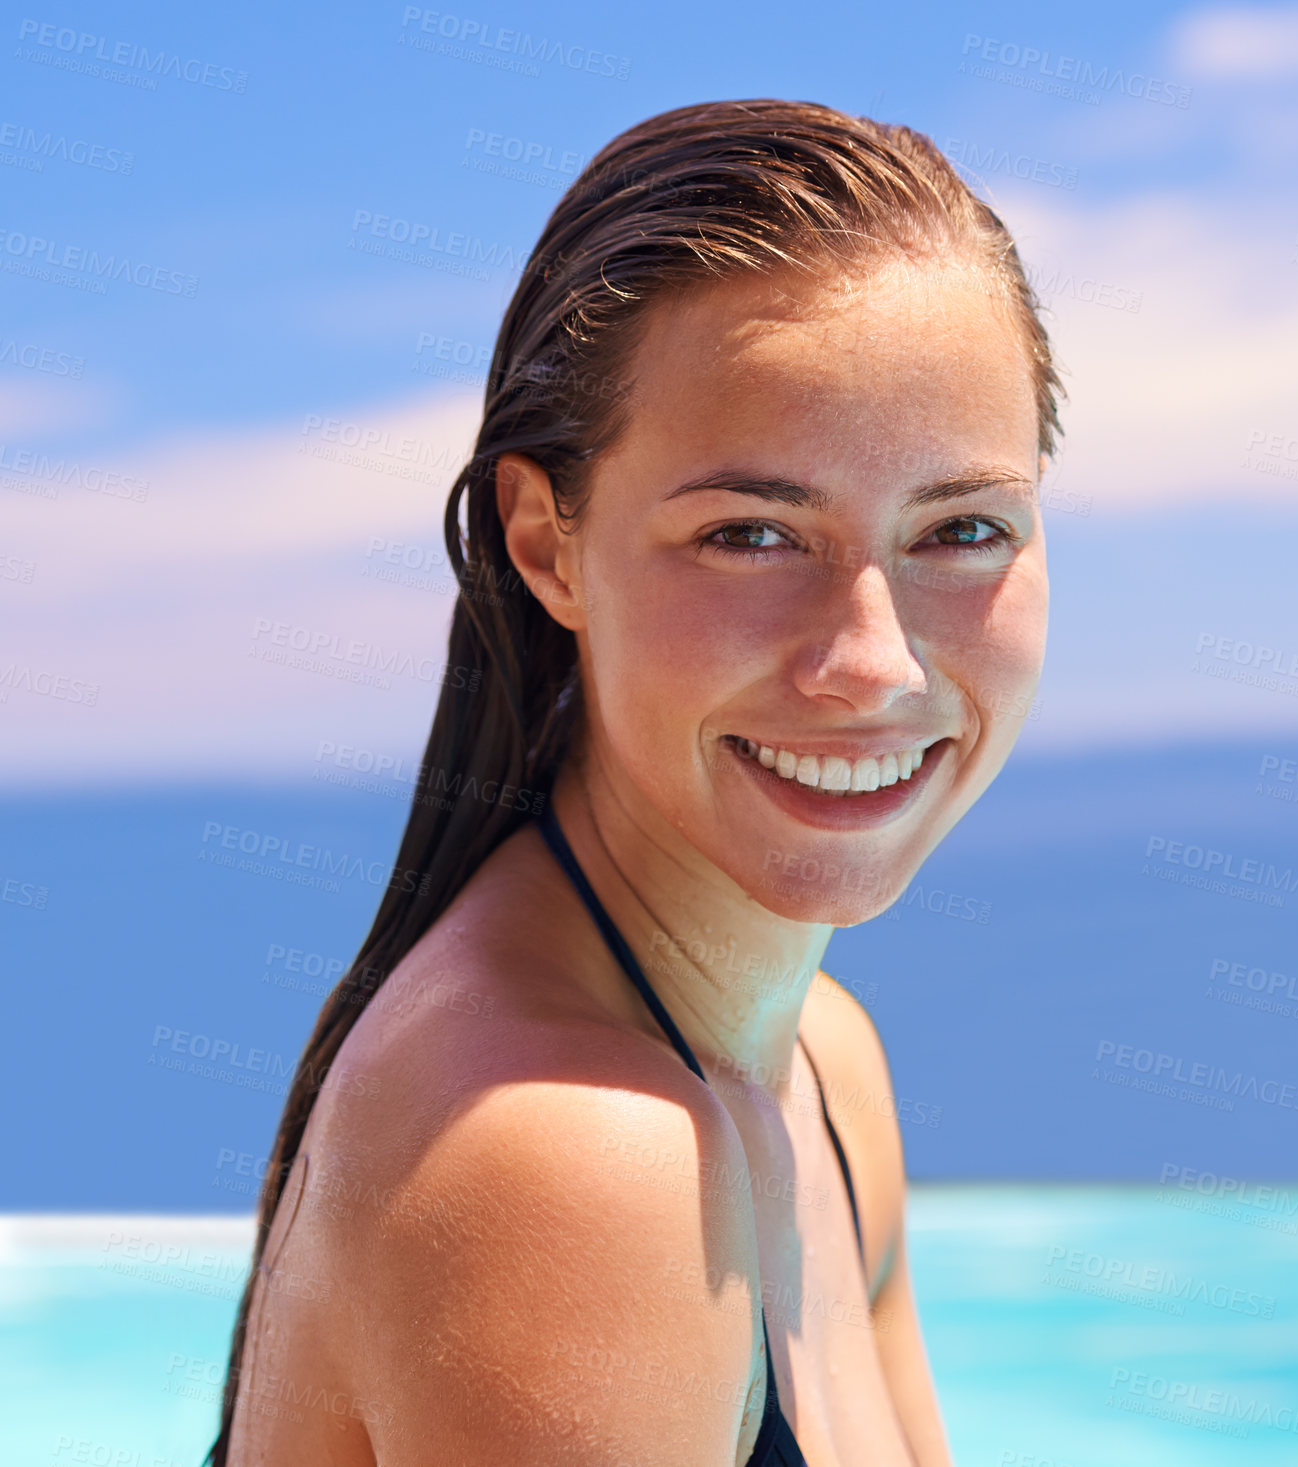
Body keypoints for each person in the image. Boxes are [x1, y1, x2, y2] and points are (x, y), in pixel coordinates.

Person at [210, 98, 1063, 1467]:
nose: (872, 660)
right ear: (548, 543)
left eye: (961, 528)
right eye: (748, 533)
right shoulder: (574, 1165)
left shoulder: (822, 1063)